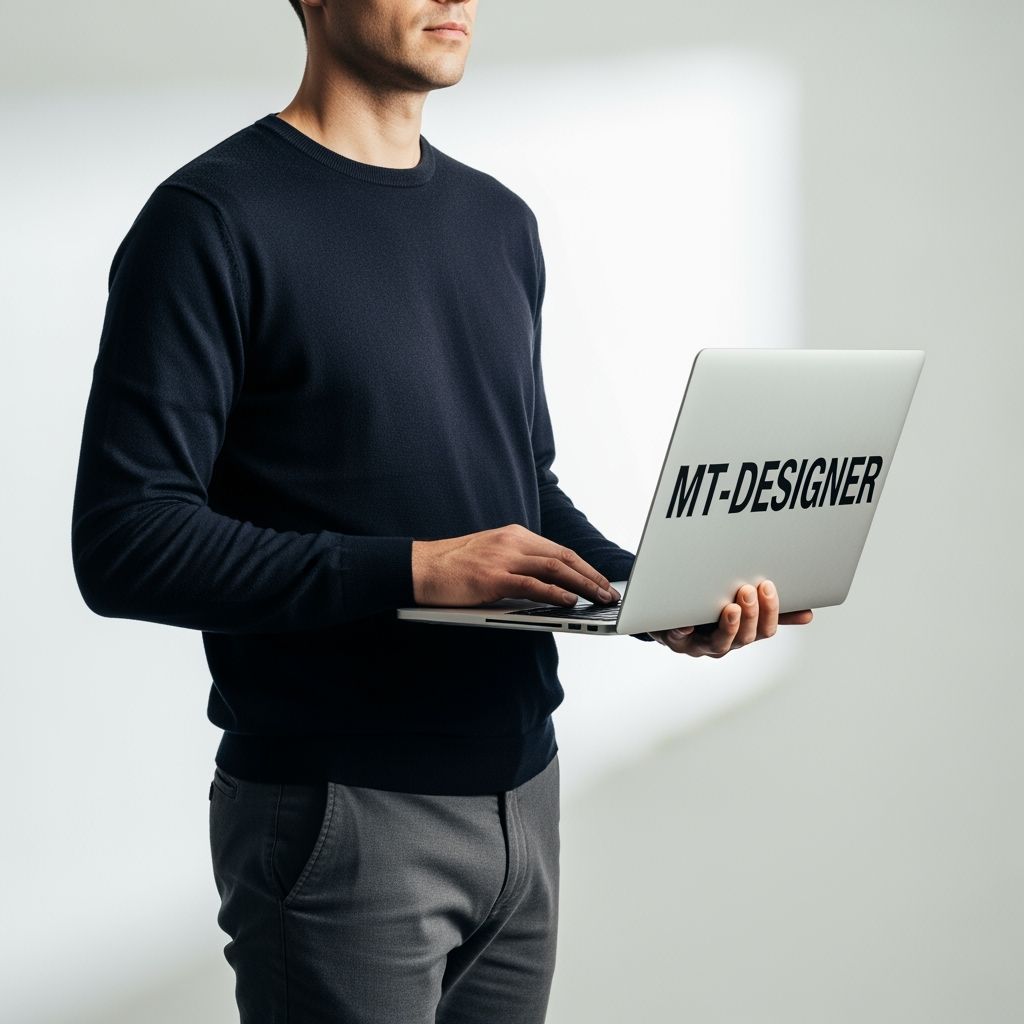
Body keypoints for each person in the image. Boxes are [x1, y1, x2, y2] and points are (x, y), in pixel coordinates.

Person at [70, 1, 813, 1021]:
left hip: (523, 794)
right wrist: (412, 567)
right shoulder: (211, 218)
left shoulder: (498, 221)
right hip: (344, 813)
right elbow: (125, 540)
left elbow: (523, 487)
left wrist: (649, 591)